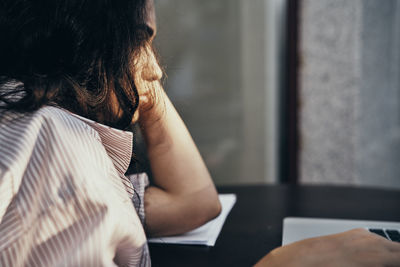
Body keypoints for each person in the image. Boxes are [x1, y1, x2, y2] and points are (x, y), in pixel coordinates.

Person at [0, 0, 399, 267]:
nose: (158, 71)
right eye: (142, 40)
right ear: (88, 36)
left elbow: (194, 203)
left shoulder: (49, 129)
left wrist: (137, 84)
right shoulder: (49, 141)